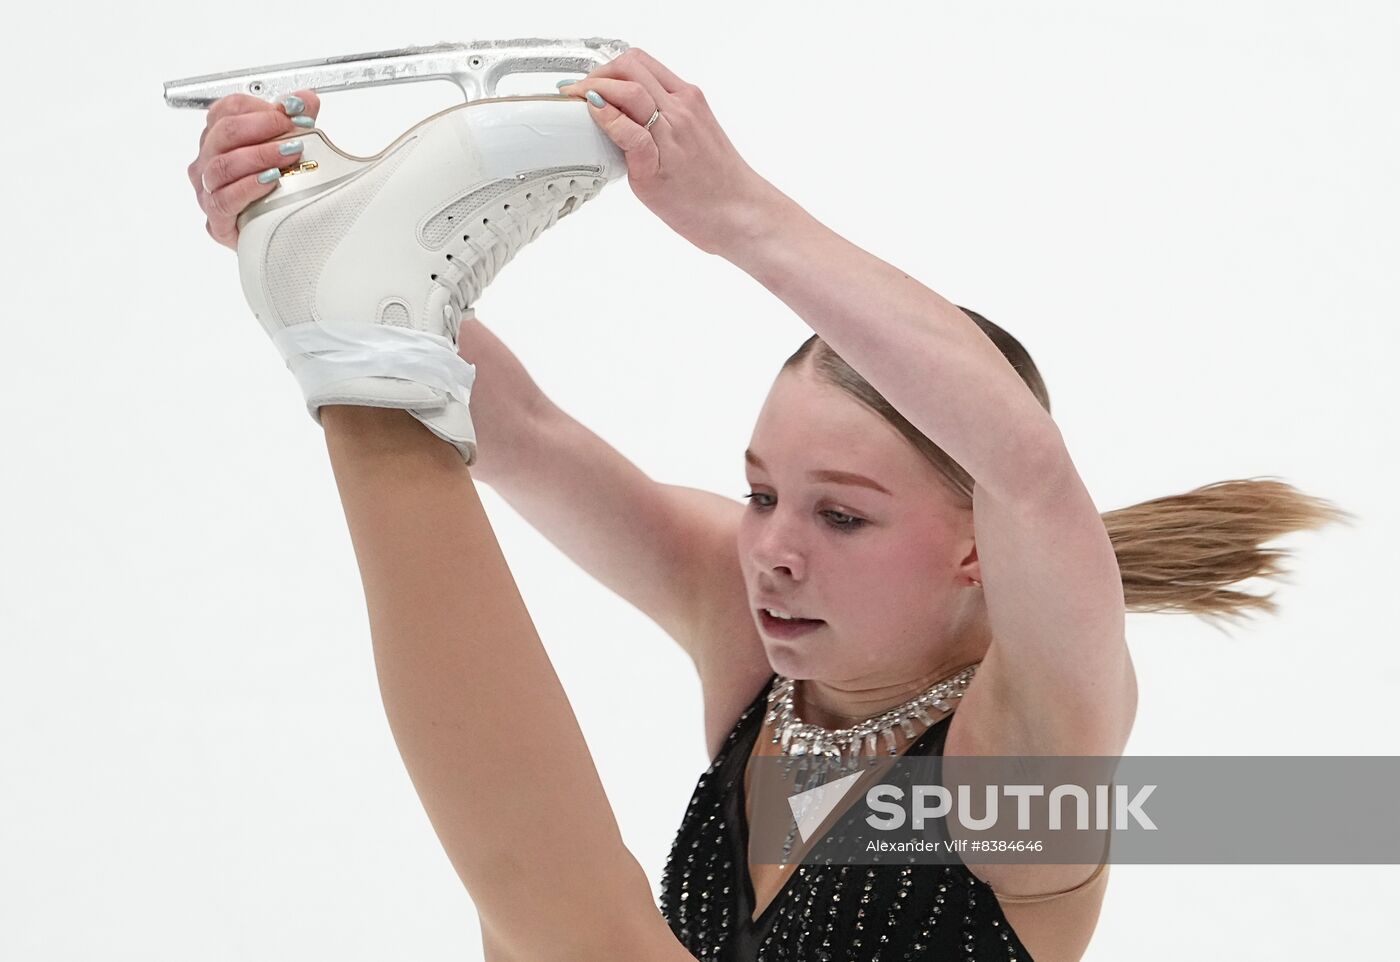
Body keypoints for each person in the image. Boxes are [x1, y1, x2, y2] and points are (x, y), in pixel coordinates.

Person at [185, 47, 1350, 962]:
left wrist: (739, 212)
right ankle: (347, 317)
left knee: (577, 941)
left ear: (974, 550)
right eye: (758, 493)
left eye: (840, 516)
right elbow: (523, 432)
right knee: (534, 935)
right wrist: (290, 223)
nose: (771, 551)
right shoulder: (744, 624)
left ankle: (353, 340)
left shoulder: (1025, 752)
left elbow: (1030, 470)